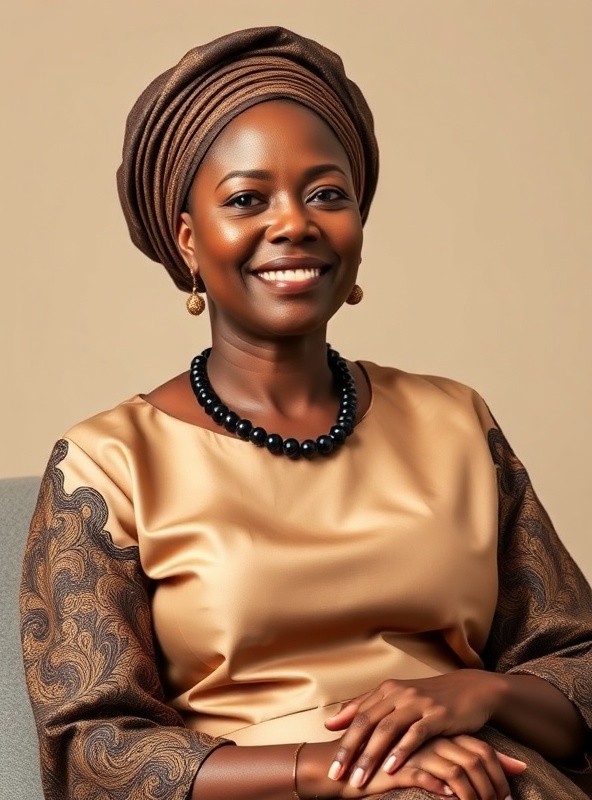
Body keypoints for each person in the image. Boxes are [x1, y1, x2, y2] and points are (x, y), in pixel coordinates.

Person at [20, 26, 592, 800]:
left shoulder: (456, 421)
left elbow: (578, 667)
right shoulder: (107, 465)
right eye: (246, 200)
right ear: (188, 240)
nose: (294, 223)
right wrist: (331, 769)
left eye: (326, 194)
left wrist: (479, 693)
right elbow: (92, 749)